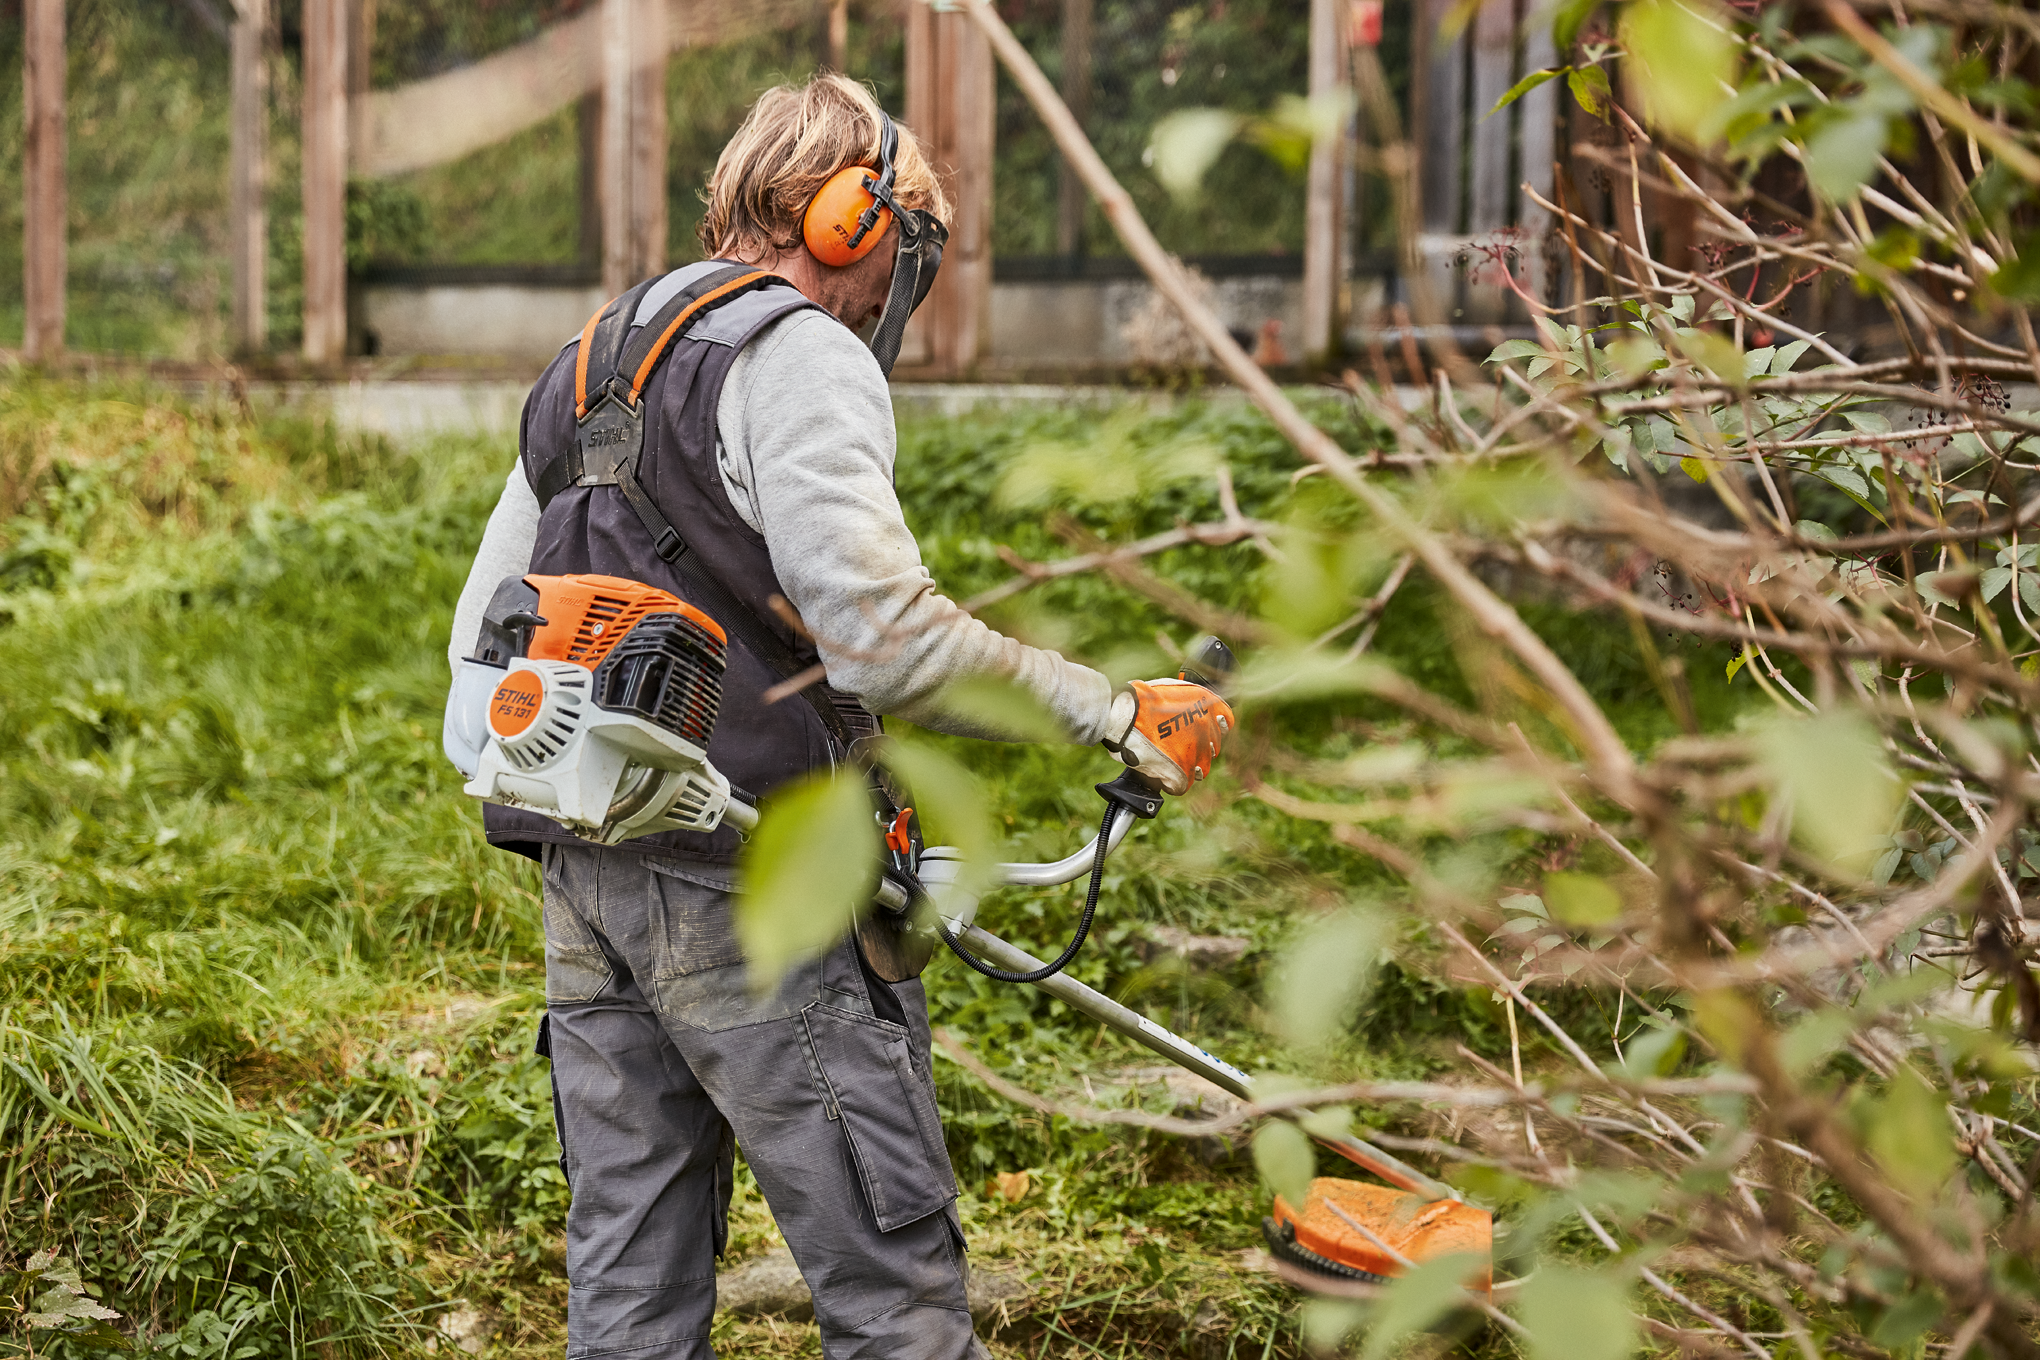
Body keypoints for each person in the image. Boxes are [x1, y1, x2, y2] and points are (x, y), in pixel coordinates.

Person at [444, 73, 1230, 1360]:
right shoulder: (796, 354)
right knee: (894, 1293)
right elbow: (888, 641)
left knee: (628, 1298)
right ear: (847, 222)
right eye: (901, 247)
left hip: (585, 886)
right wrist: (1112, 709)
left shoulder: (594, 353)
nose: (894, 291)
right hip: (762, 890)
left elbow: (479, 657)